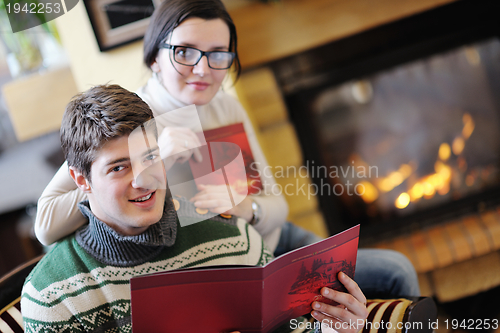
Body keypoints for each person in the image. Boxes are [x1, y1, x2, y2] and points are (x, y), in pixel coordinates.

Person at [34, 0, 419, 299]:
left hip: (275, 238)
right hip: (231, 262)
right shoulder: (130, 123)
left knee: (394, 270)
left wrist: (246, 209)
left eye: (218, 55)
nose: (203, 69)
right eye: (185, 52)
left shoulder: (226, 106)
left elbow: (276, 204)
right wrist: (151, 162)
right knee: (391, 274)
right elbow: (46, 224)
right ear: (154, 58)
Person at [21, 84, 368, 333]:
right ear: (80, 180)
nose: (144, 180)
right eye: (118, 167)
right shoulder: (53, 296)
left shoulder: (234, 238)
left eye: (150, 157)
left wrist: (339, 330)